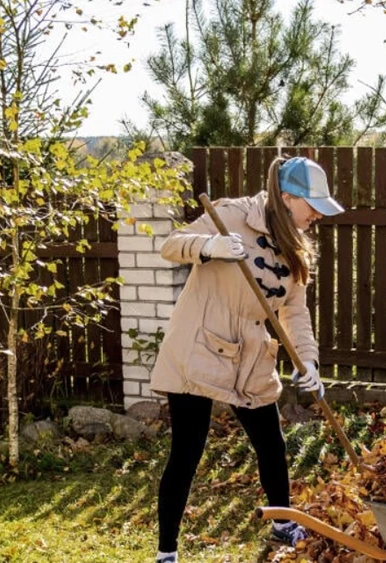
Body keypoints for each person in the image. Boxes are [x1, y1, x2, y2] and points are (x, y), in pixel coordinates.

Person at [148, 156, 344, 563]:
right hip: (199, 346)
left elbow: (294, 312)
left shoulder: (296, 247)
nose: (317, 217)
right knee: (187, 451)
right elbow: (169, 245)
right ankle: (167, 553)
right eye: (313, 207)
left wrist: (308, 362)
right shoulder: (232, 215)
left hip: (250, 355)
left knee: (271, 444)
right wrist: (208, 247)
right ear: (288, 198)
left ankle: (282, 523)